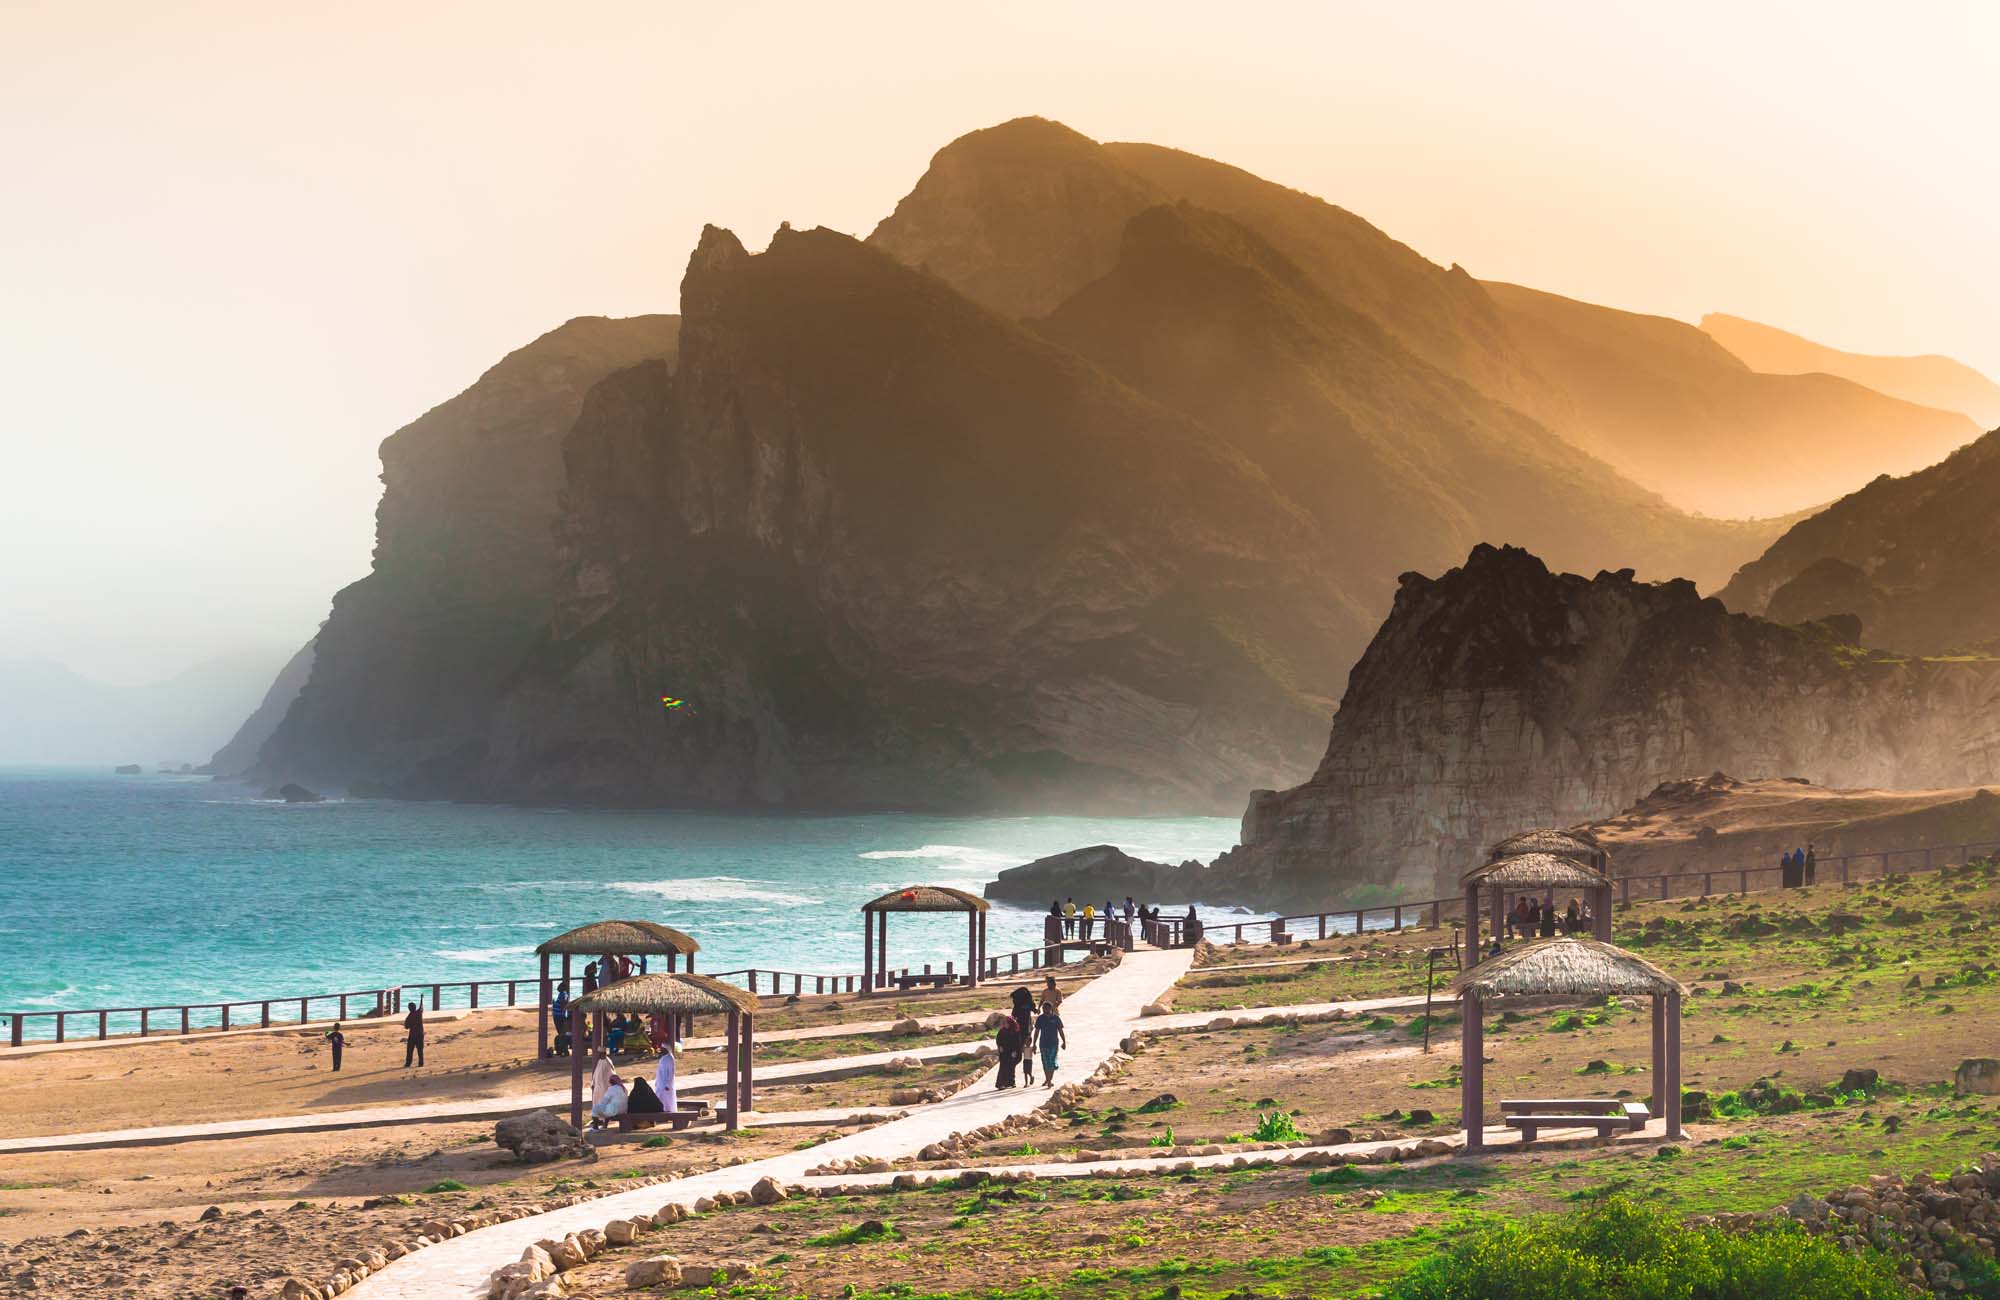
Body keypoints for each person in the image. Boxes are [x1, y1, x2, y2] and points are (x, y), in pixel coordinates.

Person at [1033, 1000, 1066, 1088]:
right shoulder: (1040, 1018)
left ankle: (1049, 1080)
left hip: (1053, 1043)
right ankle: (1048, 1080)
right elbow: (1036, 1031)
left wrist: (1064, 1042)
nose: (1044, 1010)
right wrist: (1034, 1044)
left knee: (1052, 1062)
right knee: (1045, 1062)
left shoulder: (1056, 1018)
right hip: (1043, 1043)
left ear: (1050, 1008)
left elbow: (1060, 1030)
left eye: (1046, 1008)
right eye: (1043, 1008)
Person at [1010, 986, 1037, 1085]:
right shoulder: (1024, 1004)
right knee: (1024, 1057)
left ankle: (1027, 1077)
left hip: (1024, 1033)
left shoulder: (1021, 1005)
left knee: (1025, 1057)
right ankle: (1018, 1078)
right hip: (1023, 1033)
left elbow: (1013, 1016)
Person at [994, 1013, 1024, 1088]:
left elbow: (1018, 1043)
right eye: (1004, 1023)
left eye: (1006, 1022)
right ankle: (1001, 1084)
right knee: (1003, 1068)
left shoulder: (1015, 1031)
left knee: (1011, 1067)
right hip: (1004, 1052)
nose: (1005, 1024)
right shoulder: (1002, 1031)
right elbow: (998, 1040)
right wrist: (1000, 1046)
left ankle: (1011, 1082)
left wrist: (1016, 1051)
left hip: (1013, 1052)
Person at [655, 1042, 678, 1112]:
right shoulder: (663, 1058)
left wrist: (668, 1084)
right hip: (660, 1083)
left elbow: (671, 1073)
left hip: (666, 1084)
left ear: (666, 1049)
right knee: (660, 1098)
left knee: (667, 1100)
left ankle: (668, 1113)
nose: (661, 1050)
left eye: (662, 1049)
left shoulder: (669, 1059)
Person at [402, 1001, 425, 1068]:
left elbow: (406, 1027)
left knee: (410, 1050)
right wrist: (421, 999)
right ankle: (421, 1063)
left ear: (409, 1008)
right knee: (420, 1049)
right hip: (420, 1034)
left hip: (412, 1035)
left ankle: (408, 1063)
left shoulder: (409, 1017)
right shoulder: (419, 1013)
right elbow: (421, 1006)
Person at [550, 983, 571, 1056]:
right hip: (558, 1016)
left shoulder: (563, 994)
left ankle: (563, 1050)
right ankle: (561, 1049)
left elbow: (563, 1005)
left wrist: (564, 1016)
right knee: (561, 1032)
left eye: (559, 986)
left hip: (559, 1016)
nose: (558, 988)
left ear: (563, 987)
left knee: (561, 1032)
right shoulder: (562, 994)